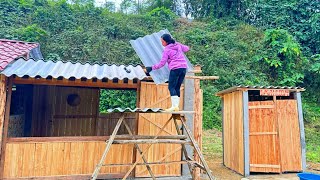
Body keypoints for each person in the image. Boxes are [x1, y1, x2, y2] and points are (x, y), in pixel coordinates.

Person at [146, 33, 190, 112]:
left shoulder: (167, 50)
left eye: (162, 42)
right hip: (183, 68)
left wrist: (151, 68)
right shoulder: (177, 45)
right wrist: (178, 46)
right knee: (177, 87)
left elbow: (162, 63)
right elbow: (187, 48)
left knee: (171, 87)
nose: (162, 43)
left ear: (166, 42)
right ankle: (176, 107)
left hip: (175, 69)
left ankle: (174, 106)